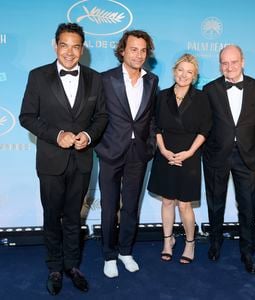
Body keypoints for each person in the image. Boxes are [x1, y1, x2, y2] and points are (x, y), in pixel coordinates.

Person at [19, 23, 108, 295]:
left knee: (73, 217)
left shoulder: (95, 78)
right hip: (50, 160)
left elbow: (102, 116)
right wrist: (57, 135)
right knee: (51, 216)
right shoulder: (38, 76)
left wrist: (88, 136)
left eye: (76, 46)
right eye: (64, 45)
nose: (70, 52)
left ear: (82, 49)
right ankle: (55, 267)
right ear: (55, 45)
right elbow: (27, 117)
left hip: (82, 161)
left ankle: (72, 265)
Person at [94, 30, 159, 278]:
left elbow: (151, 118)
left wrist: (150, 145)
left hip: (138, 154)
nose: (139, 54)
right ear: (122, 50)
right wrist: (99, 145)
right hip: (111, 151)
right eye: (133, 49)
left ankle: (125, 251)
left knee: (131, 206)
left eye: (143, 50)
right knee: (109, 207)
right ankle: (109, 255)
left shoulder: (152, 81)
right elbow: (97, 116)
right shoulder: (105, 79)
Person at [202, 45, 255, 274]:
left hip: (247, 158)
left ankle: (247, 250)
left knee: (247, 207)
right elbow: (205, 126)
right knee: (215, 203)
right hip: (216, 157)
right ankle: (215, 242)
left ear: (242, 61)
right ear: (220, 64)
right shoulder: (209, 89)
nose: (229, 67)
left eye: (233, 62)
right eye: (224, 63)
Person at [147, 54, 212, 264]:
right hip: (165, 153)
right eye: (180, 70)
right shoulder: (162, 95)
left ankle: (190, 243)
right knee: (167, 201)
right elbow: (155, 125)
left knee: (185, 205)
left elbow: (205, 129)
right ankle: (168, 241)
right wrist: (164, 150)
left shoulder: (201, 98)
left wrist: (190, 152)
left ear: (195, 76)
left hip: (189, 155)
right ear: (174, 71)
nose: (184, 75)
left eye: (189, 72)